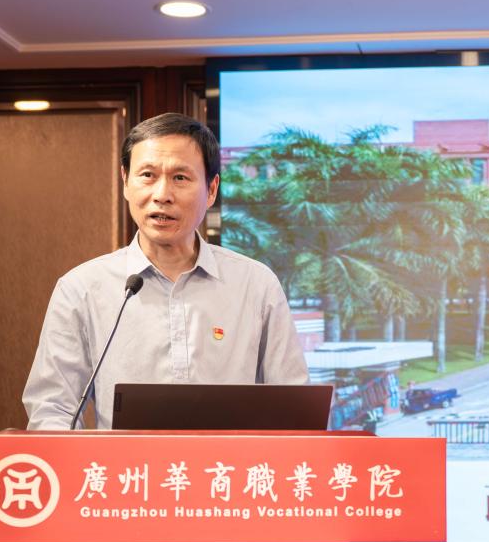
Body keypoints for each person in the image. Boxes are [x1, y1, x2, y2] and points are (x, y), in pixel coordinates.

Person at [23, 113, 309, 430]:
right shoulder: (82, 289)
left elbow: (294, 408)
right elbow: (53, 410)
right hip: (126, 465)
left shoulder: (255, 285)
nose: (162, 195)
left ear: (211, 189)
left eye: (180, 178)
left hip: (229, 464)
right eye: (147, 175)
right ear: (125, 182)